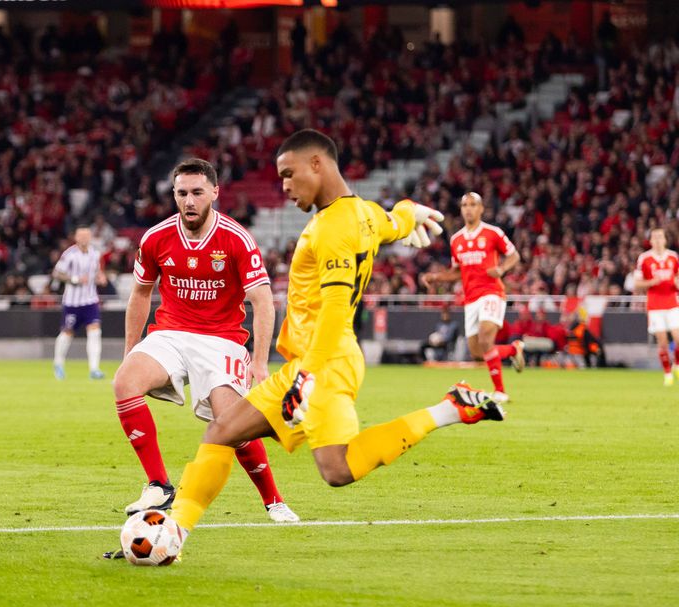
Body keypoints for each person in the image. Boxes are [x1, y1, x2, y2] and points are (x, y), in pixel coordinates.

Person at [163, 130, 504, 554]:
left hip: (325, 362)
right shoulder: (363, 213)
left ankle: (450, 409)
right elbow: (392, 223)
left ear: (317, 166)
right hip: (311, 360)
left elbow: (336, 308)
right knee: (222, 430)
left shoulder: (334, 228)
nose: (284, 186)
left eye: (289, 174)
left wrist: (306, 378)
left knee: (336, 469)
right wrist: (409, 211)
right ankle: (172, 535)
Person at [112, 158, 298, 523]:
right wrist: (130, 351)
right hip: (170, 333)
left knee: (232, 422)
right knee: (125, 382)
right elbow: (140, 294)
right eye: (181, 193)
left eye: (197, 192)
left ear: (214, 192)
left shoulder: (236, 238)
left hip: (221, 339)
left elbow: (262, 301)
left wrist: (259, 361)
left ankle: (273, 500)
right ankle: (159, 485)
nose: (189, 201)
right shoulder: (156, 237)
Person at [420, 192, 525, 403]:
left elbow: (514, 255)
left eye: (473, 205)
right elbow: (457, 272)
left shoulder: (492, 233)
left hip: (492, 292)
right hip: (470, 298)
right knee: (478, 353)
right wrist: (436, 277)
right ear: (461, 210)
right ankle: (514, 349)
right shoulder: (456, 239)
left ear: (481, 209)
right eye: (464, 205)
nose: (468, 208)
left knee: (486, 339)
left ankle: (500, 392)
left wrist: (502, 268)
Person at [51, 226, 106, 380]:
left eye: (87, 236)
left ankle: (94, 369)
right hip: (72, 302)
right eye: (81, 236)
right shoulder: (69, 254)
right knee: (67, 333)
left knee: (95, 332)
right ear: (76, 238)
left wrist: (100, 277)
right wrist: (74, 279)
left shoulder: (95, 253)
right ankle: (58, 363)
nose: (84, 239)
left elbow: (96, 271)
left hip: (90, 300)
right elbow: (57, 273)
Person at [633, 228, 679, 385]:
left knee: (678, 337)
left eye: (661, 237)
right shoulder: (644, 259)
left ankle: (677, 364)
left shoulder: (673, 257)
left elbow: (678, 278)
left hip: (672, 302)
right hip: (655, 305)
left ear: (665, 240)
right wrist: (652, 282)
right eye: (655, 237)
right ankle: (667, 374)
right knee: (663, 341)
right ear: (651, 241)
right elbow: (637, 283)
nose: (658, 240)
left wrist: (676, 283)